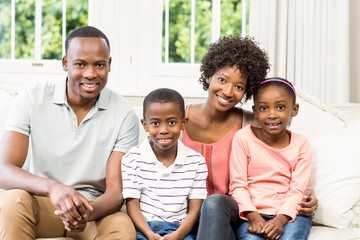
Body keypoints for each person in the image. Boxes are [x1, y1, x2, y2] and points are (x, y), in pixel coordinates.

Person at [0, 26, 139, 239]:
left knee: (122, 225)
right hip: (45, 203)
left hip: (93, 210)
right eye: (80, 64)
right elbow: (5, 170)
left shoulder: (124, 115)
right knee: (13, 201)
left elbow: (115, 192)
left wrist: (84, 214)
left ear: (109, 65)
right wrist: (53, 188)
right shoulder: (31, 99)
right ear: (66, 64)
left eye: (99, 65)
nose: (91, 74)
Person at [181, 35, 318, 240]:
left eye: (239, 87)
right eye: (222, 79)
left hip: (229, 212)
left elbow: (281, 147)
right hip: (187, 214)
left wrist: (307, 198)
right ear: (209, 75)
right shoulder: (174, 120)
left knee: (215, 202)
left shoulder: (251, 122)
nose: (228, 91)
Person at [229, 77, 313, 240]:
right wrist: (254, 217)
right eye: (264, 108)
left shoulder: (301, 144)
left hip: (291, 215)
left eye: (280, 107)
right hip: (253, 214)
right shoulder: (243, 138)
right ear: (255, 111)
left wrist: (280, 220)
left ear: (294, 110)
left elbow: (298, 189)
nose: (272, 114)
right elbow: (238, 185)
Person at [122, 88, 208, 240]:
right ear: (145, 125)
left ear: (183, 123)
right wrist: (149, 234)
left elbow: (195, 209)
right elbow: (132, 206)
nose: (163, 130)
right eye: (155, 123)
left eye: (171, 122)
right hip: (144, 228)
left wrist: (178, 235)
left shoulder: (196, 161)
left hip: (181, 230)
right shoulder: (132, 158)